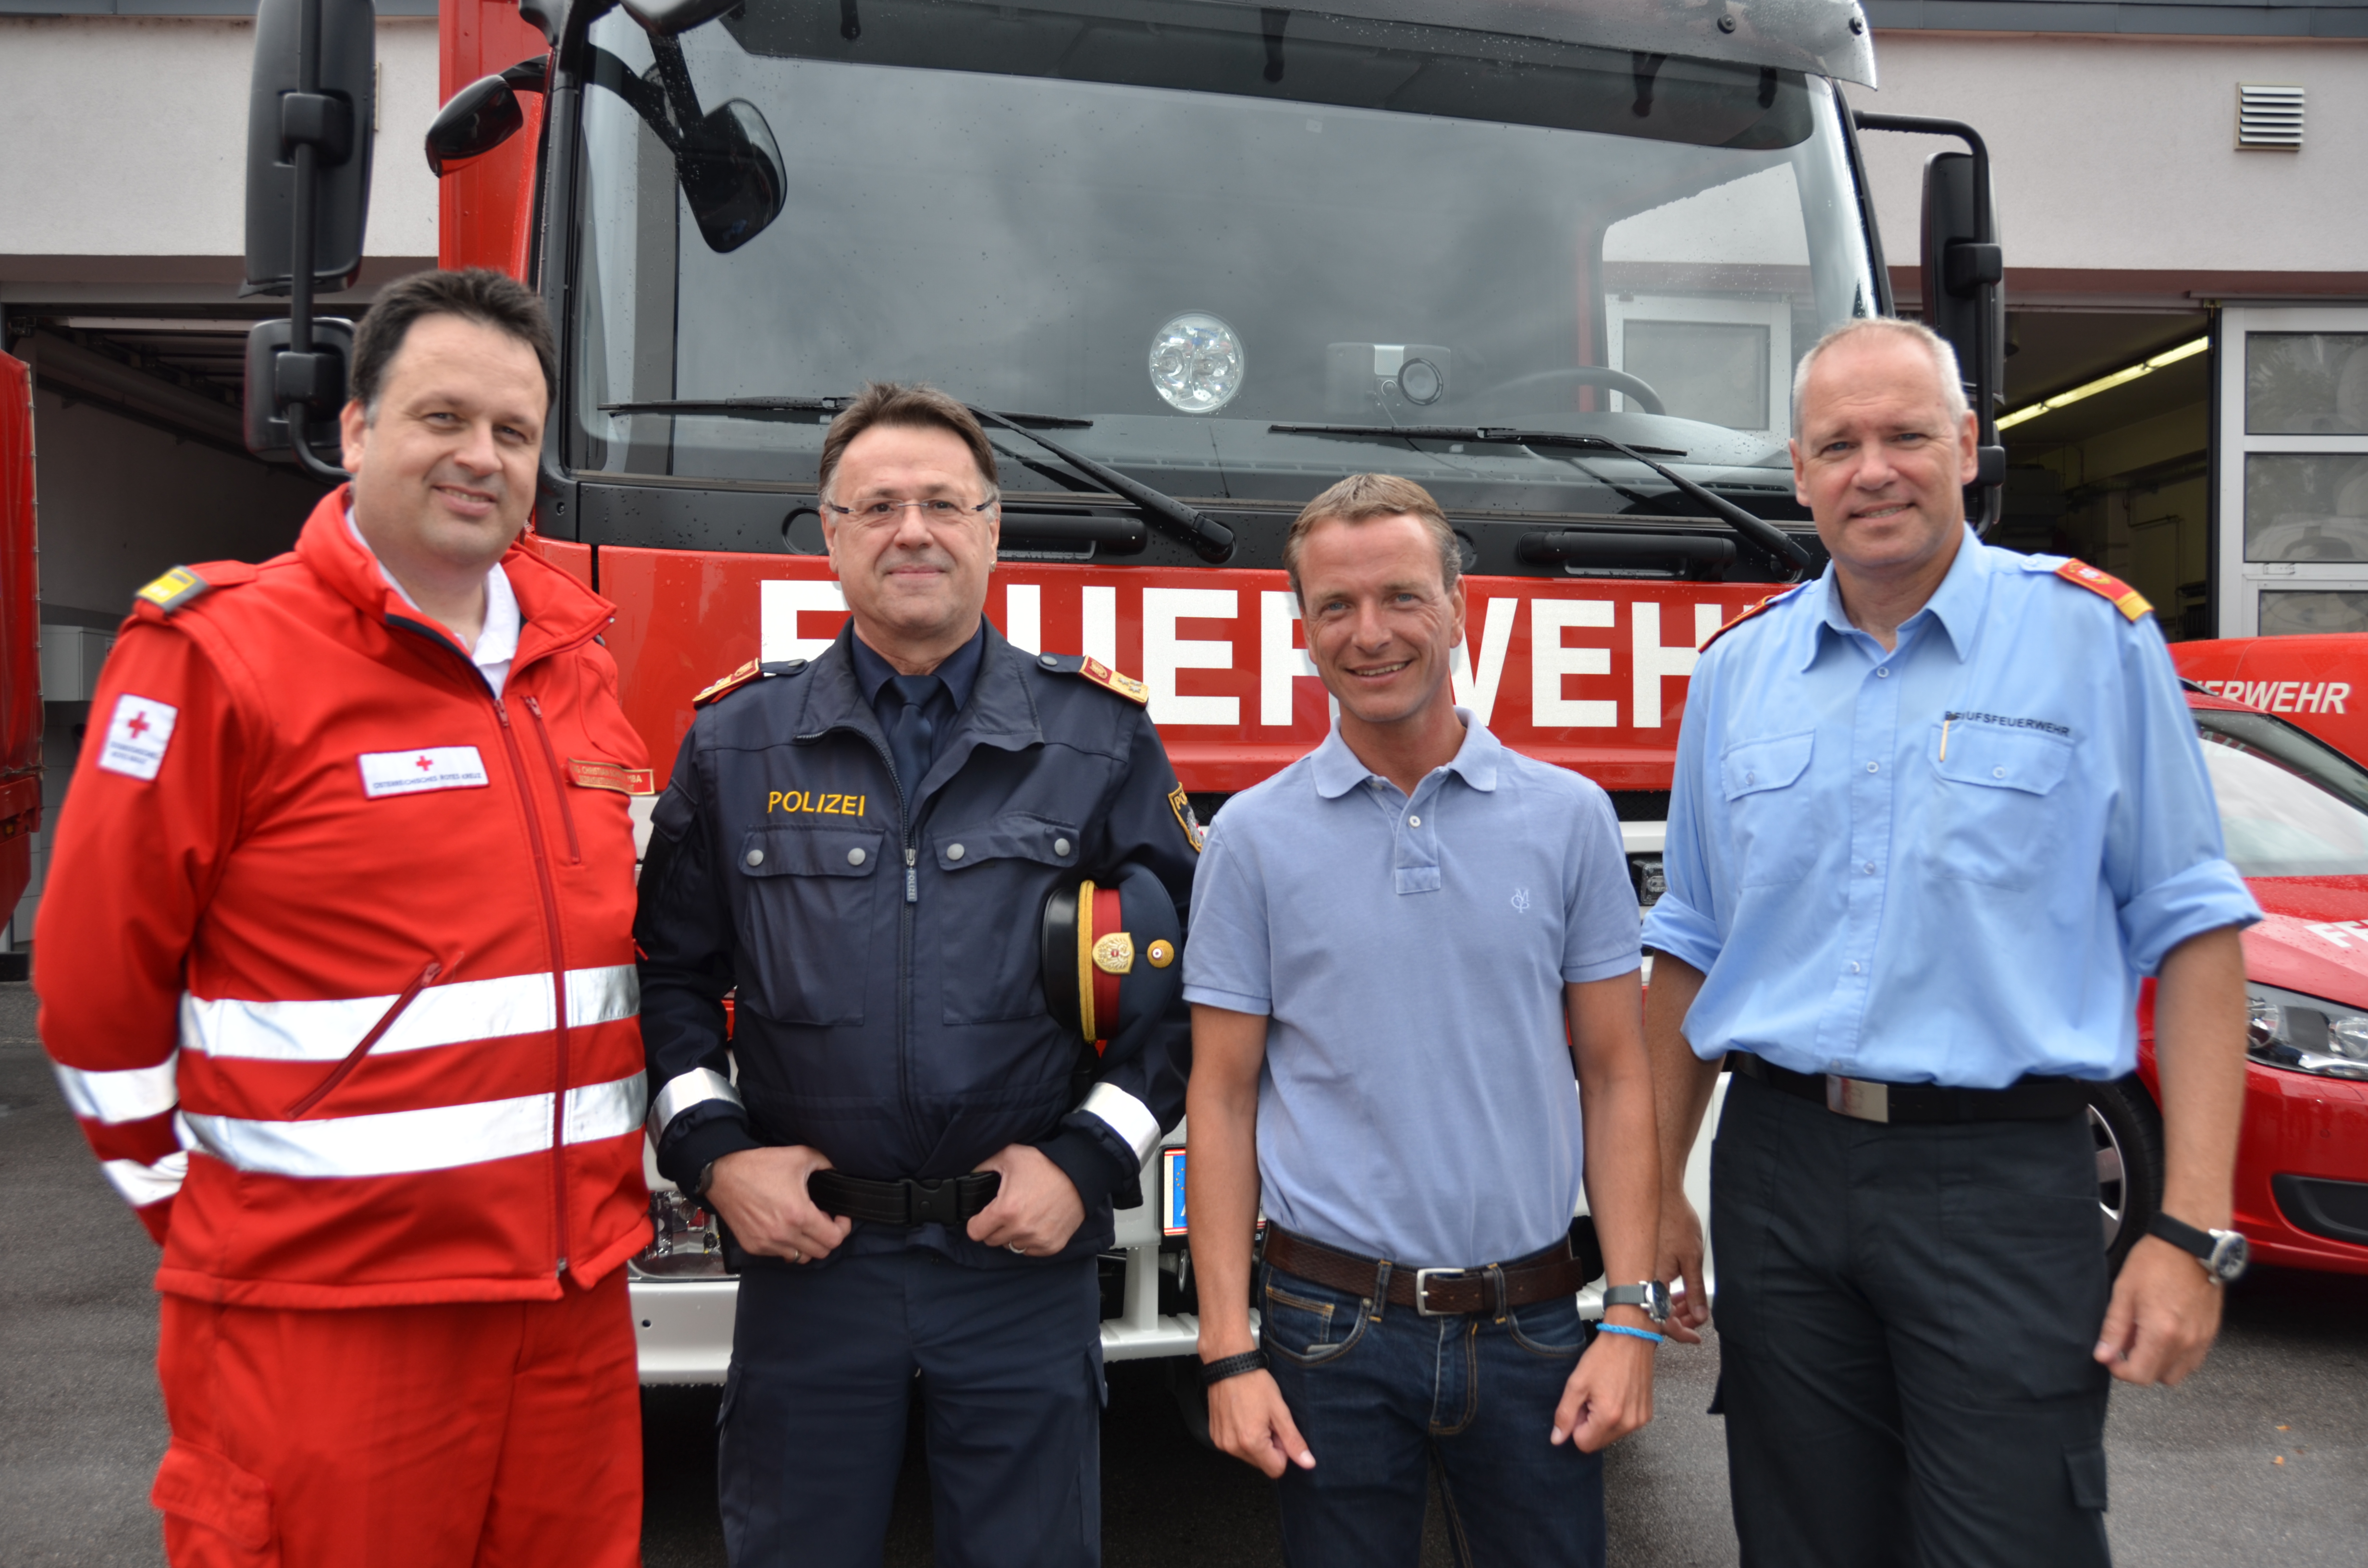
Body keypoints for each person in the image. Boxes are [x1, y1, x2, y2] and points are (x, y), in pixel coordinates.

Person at [35, 268, 652, 1566]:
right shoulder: (220, 654)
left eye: (514, 432)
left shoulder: (575, 670)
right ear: (359, 429)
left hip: (570, 1308)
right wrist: (206, 1212)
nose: (480, 458)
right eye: (442, 418)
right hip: (330, 1317)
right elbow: (96, 995)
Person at [1643, 317, 2260, 1568]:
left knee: (2012, 1540)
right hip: (1778, 1174)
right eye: (1840, 444)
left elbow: (2193, 930)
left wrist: (2192, 1232)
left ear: (1968, 448)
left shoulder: (2094, 641)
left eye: (1908, 435)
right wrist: (1651, 1189)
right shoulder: (1738, 673)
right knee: (1802, 1541)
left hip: (1998, 1181)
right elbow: (1692, 944)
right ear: (1800, 471)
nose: (1876, 469)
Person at [633, 382, 1199, 1568]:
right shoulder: (738, 741)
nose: (913, 530)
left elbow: (1182, 995)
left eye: (944, 503)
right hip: (812, 1264)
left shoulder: (1097, 739)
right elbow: (670, 979)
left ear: (992, 528)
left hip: (1018, 1260)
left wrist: (1087, 1163)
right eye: (877, 504)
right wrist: (716, 1156)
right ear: (828, 533)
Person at [1182, 474, 1664, 1568]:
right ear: (1301, 630)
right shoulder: (1250, 842)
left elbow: (1615, 1072)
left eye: (1400, 597)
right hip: (1325, 1330)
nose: (1369, 635)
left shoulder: (1570, 819)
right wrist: (1225, 1348)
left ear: (1458, 607)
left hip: (1537, 1322)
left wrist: (1629, 1316)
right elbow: (1220, 1093)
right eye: (1334, 609)